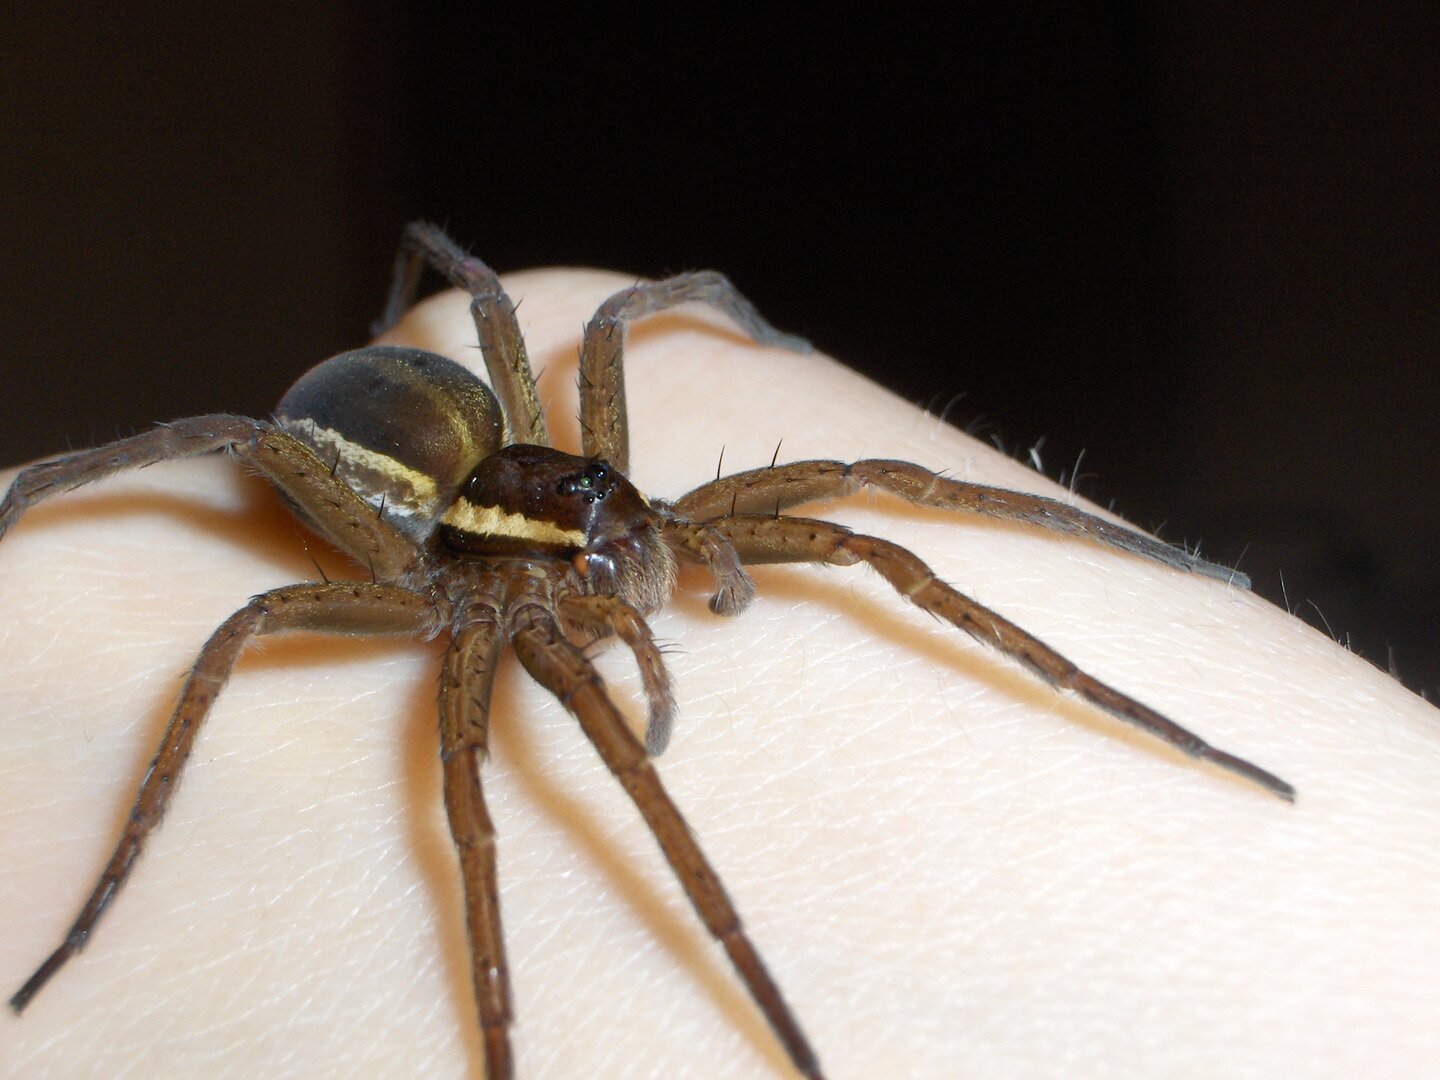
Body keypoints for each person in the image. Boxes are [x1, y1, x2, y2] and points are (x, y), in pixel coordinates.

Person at [3, 269, 1437, 1078]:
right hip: (395, 481)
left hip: (524, 462)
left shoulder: (632, 504)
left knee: (868, 502)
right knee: (475, 777)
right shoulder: (448, 596)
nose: (634, 578)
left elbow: (604, 321)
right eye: (597, 562)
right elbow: (256, 524)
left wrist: (1199, 585)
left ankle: (1157, 672)